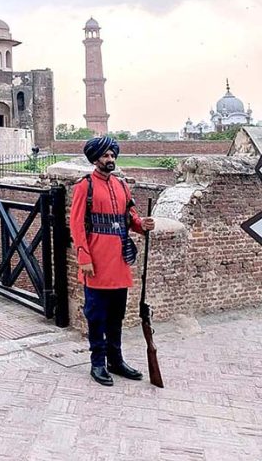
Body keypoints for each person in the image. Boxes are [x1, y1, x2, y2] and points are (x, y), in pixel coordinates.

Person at [69, 136, 155, 386]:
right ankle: (98, 362)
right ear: (95, 159)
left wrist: (142, 225)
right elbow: (76, 224)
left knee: (117, 315)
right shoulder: (85, 186)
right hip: (95, 261)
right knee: (96, 315)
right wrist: (83, 256)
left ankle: (115, 361)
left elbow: (130, 216)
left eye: (112, 155)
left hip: (119, 260)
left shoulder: (122, 185)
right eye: (105, 156)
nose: (110, 159)